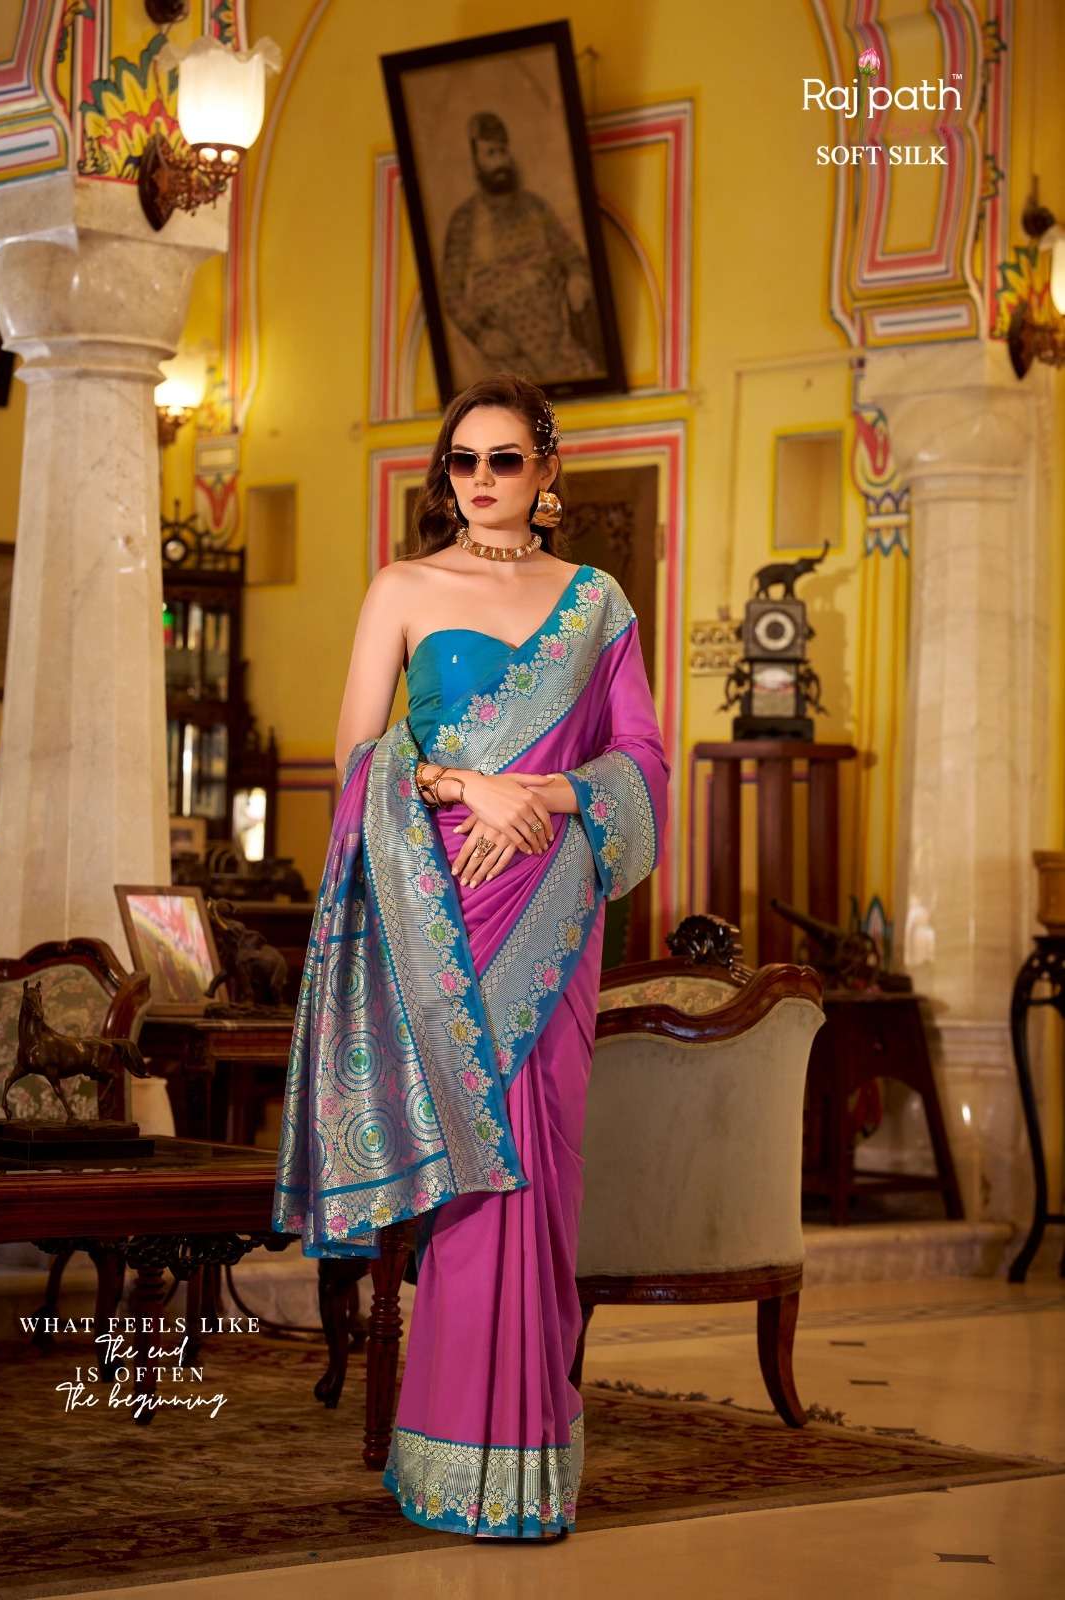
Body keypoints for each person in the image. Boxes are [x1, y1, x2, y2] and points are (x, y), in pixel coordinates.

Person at [271, 372, 670, 1541]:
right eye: (462, 460)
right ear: (443, 474)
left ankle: (527, 1467)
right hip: (433, 906)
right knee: (467, 1168)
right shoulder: (402, 588)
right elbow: (356, 759)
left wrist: (540, 793)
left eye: (505, 459)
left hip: (551, 902)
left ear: (545, 473)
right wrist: (462, 785)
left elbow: (642, 761)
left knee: (537, 1168)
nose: (482, 479)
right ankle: (450, 1458)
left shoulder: (595, 604)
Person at [441, 112, 602, 382]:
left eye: (502, 151)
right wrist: (481, 335)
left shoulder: (535, 207)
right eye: (490, 153)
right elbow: (451, 292)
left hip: (556, 334)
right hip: (505, 347)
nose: (499, 161)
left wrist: (577, 277)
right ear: (476, 162)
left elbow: (571, 254)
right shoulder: (464, 220)